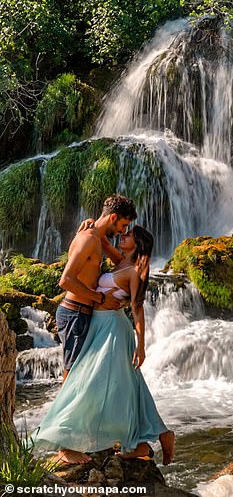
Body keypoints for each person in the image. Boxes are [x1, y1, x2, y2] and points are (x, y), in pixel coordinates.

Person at [33, 225, 175, 466]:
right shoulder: (120, 261)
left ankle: (76, 441)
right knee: (129, 386)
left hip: (114, 330)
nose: (122, 235)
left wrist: (141, 345)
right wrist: (91, 225)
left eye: (128, 234)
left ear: (137, 244)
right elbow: (101, 237)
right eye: (123, 230)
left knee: (96, 383)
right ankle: (152, 437)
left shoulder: (135, 270)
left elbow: (137, 310)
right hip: (99, 325)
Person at [57, 194, 137, 384]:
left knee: (82, 378)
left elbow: (122, 262)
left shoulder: (96, 238)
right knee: (72, 378)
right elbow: (66, 280)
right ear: (113, 218)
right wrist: (100, 298)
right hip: (75, 314)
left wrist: (103, 238)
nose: (123, 231)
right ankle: (60, 414)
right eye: (123, 225)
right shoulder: (88, 240)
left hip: (82, 314)